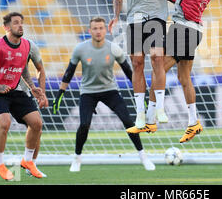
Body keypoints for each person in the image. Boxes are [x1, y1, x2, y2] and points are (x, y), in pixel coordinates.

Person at [128, 0, 217, 144]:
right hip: (193, 30)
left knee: (159, 70)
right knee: (184, 77)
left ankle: (149, 120)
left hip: (184, 29)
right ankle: (193, 122)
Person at [52, 17, 155, 172]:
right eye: (95, 28)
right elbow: (69, 72)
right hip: (88, 92)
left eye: (101, 28)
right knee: (84, 125)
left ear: (105, 30)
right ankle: (77, 158)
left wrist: (142, 94)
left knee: (128, 120)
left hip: (110, 90)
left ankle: (143, 156)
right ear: (89, 31)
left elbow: (129, 72)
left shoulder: (114, 48)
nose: (98, 31)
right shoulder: (80, 49)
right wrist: (60, 93)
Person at [108, 0, 186, 130]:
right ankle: (140, 114)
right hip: (135, 19)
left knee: (157, 58)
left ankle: (159, 107)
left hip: (156, 18)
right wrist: (116, 16)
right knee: (137, 62)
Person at [0, 12, 48, 180]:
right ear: (6, 27)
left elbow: (36, 70)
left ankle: (28, 162)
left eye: (21, 23)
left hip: (20, 92)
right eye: (16, 23)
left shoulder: (29, 46)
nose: (20, 26)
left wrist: (40, 91)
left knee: (37, 124)